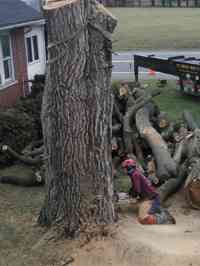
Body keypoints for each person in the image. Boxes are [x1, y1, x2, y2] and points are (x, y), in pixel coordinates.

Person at [122, 158, 161, 223]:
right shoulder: (135, 173)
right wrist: (130, 193)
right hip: (149, 197)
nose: (124, 170)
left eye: (125, 168)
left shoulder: (135, 175)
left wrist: (132, 196)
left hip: (152, 198)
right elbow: (135, 187)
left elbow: (137, 189)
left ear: (129, 168)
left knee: (147, 218)